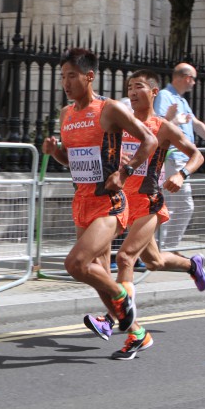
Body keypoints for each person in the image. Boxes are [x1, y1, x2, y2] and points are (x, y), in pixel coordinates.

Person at [81, 70, 205, 360]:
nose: (133, 91)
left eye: (138, 86)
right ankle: (191, 265)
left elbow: (197, 154)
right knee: (154, 261)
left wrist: (183, 175)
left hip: (148, 202)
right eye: (129, 87)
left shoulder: (162, 127)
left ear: (153, 92)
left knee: (125, 258)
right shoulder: (122, 121)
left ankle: (113, 321)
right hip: (122, 201)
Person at [42, 48, 157, 335]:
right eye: (62, 77)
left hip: (109, 203)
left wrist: (126, 171)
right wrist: (55, 151)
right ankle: (137, 334)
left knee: (76, 264)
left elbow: (150, 140)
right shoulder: (66, 114)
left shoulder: (109, 109)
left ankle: (122, 298)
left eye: (72, 76)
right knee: (99, 273)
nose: (65, 83)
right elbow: (71, 159)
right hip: (82, 201)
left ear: (89, 76)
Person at [154, 63, 205, 250]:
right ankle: (162, 250)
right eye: (194, 79)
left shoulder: (181, 100)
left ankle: (163, 250)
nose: (194, 83)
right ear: (186, 77)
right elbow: (158, 125)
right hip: (172, 157)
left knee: (176, 206)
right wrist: (175, 121)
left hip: (180, 159)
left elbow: (197, 124)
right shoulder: (165, 96)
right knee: (179, 206)